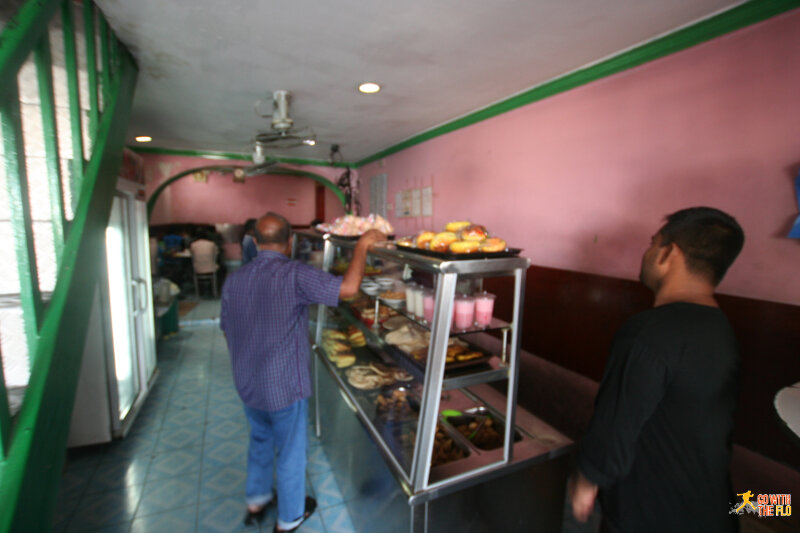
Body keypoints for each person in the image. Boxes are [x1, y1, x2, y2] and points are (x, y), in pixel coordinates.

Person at [569, 206, 745, 533]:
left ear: (668, 254)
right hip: (715, 511)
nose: (648, 252)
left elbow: (616, 422)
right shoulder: (721, 329)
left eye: (653, 243)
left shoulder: (647, 333)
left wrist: (587, 480)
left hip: (650, 514)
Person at [220, 211, 385, 532]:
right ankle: (289, 517)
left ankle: (256, 500)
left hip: (247, 382)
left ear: (254, 241)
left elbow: (228, 330)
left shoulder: (235, 280)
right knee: (292, 452)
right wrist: (363, 246)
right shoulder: (294, 274)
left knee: (260, 439)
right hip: (284, 386)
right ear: (290, 242)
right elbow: (349, 289)